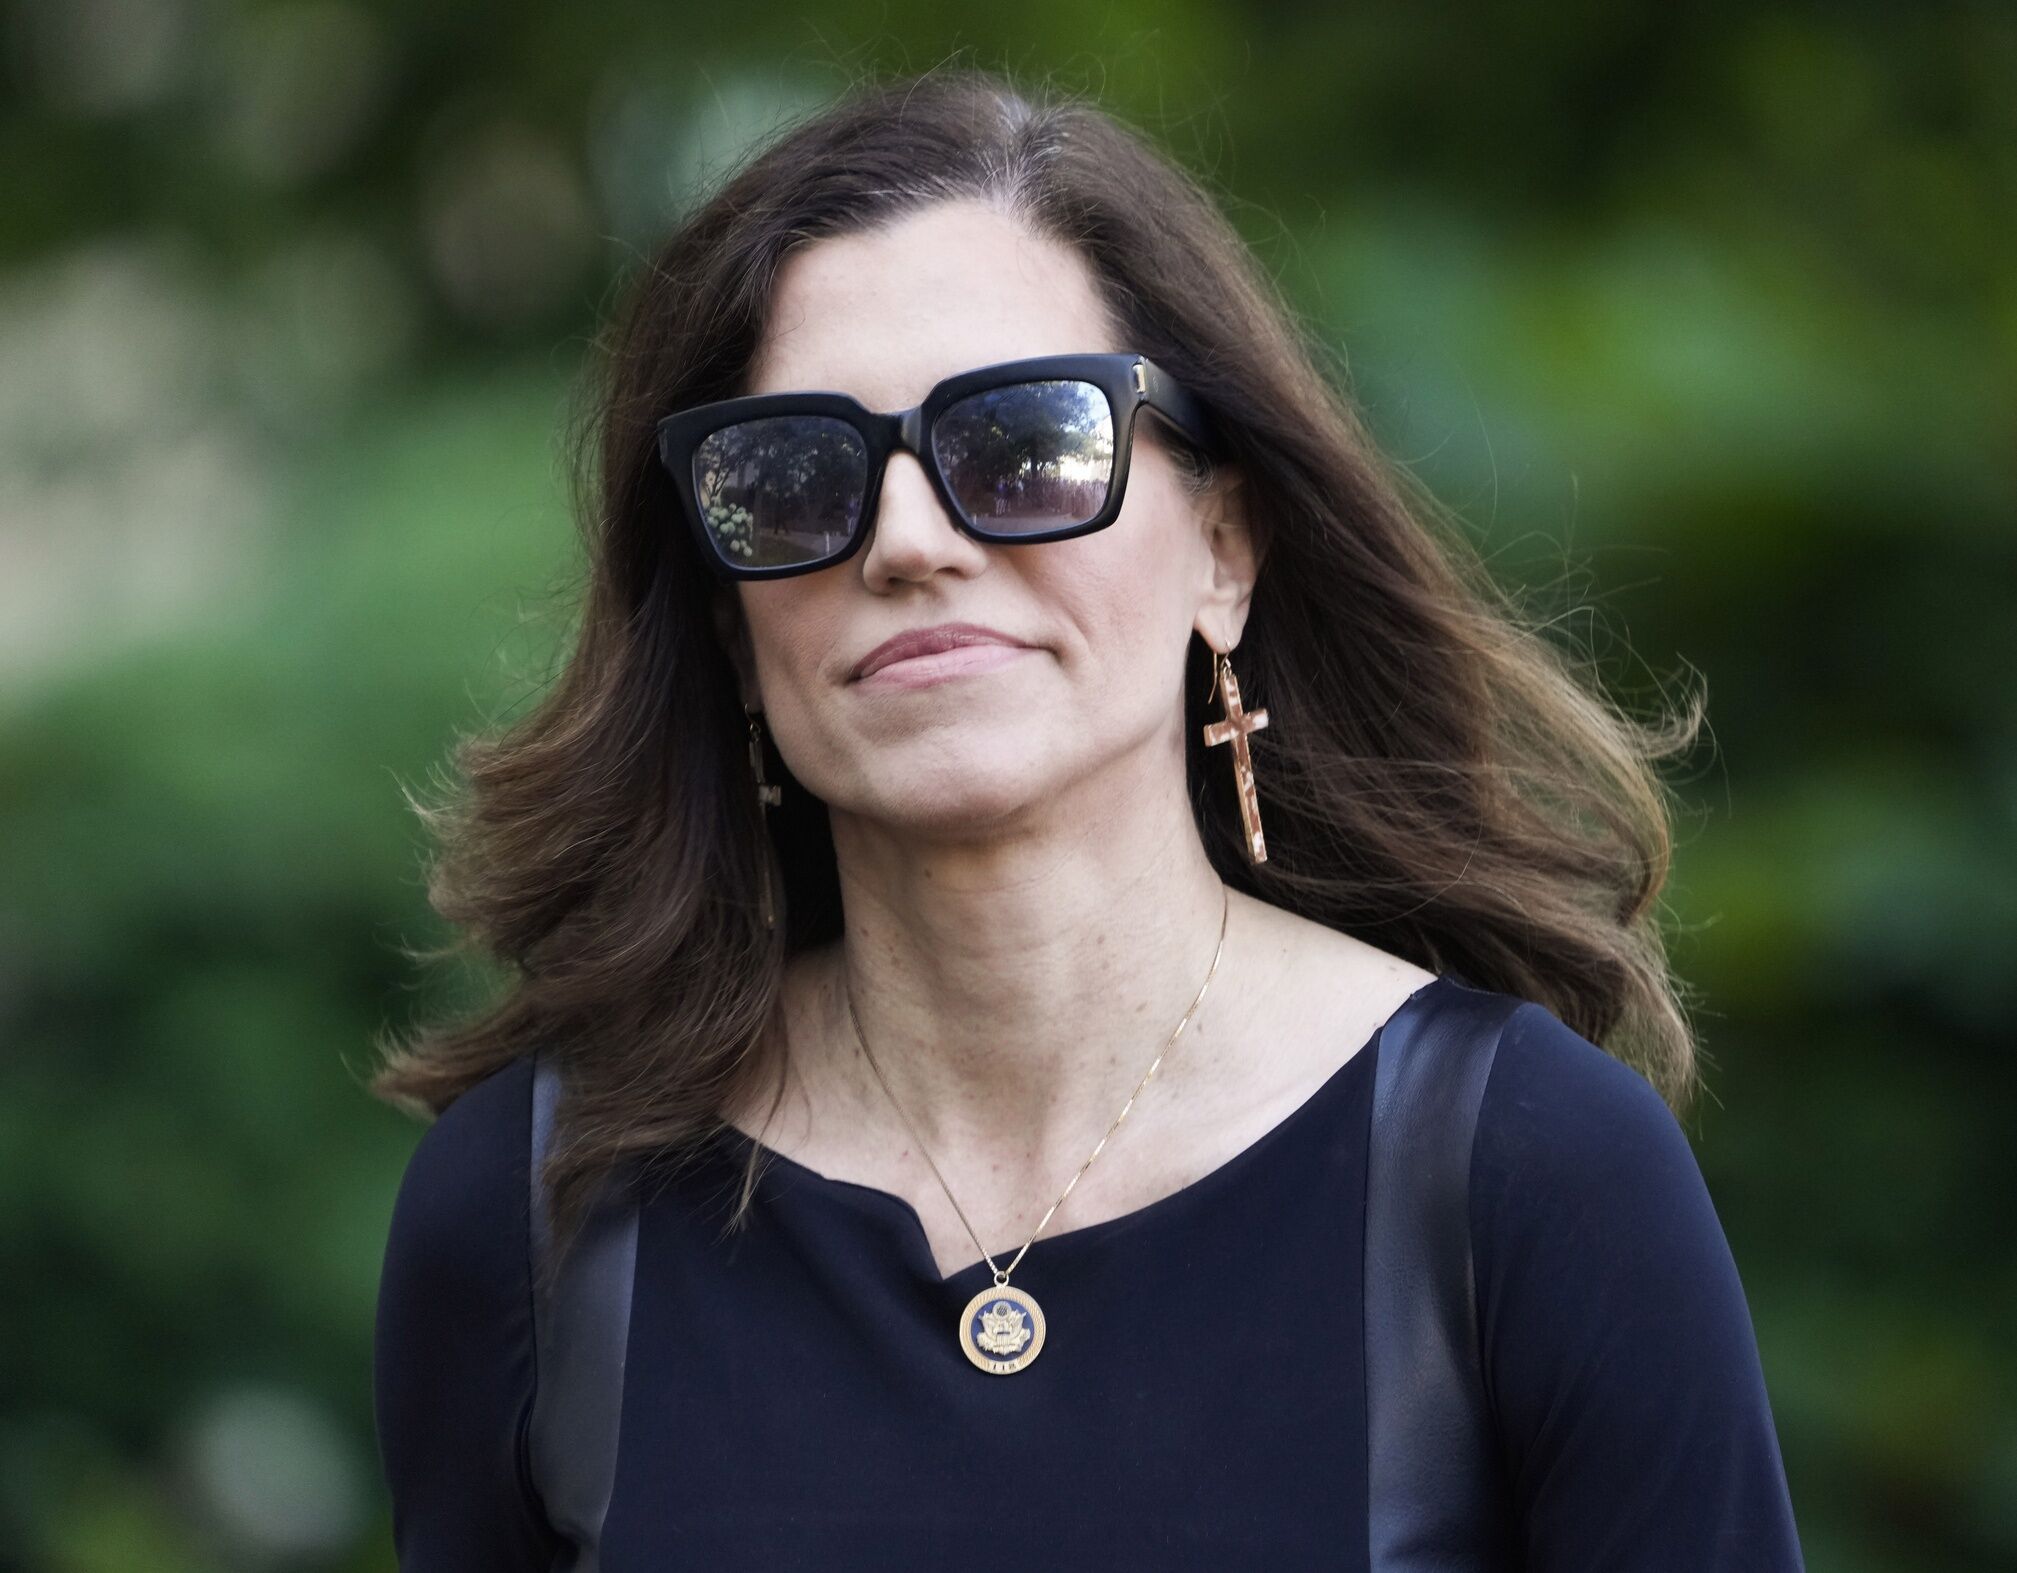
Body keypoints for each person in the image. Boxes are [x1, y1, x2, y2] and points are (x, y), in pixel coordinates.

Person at [368, 66, 1805, 1570]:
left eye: (1024, 446)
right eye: (795, 478)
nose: (911, 540)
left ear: (1224, 552)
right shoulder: (536, 1212)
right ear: (733, 626)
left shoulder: (1532, 1174)